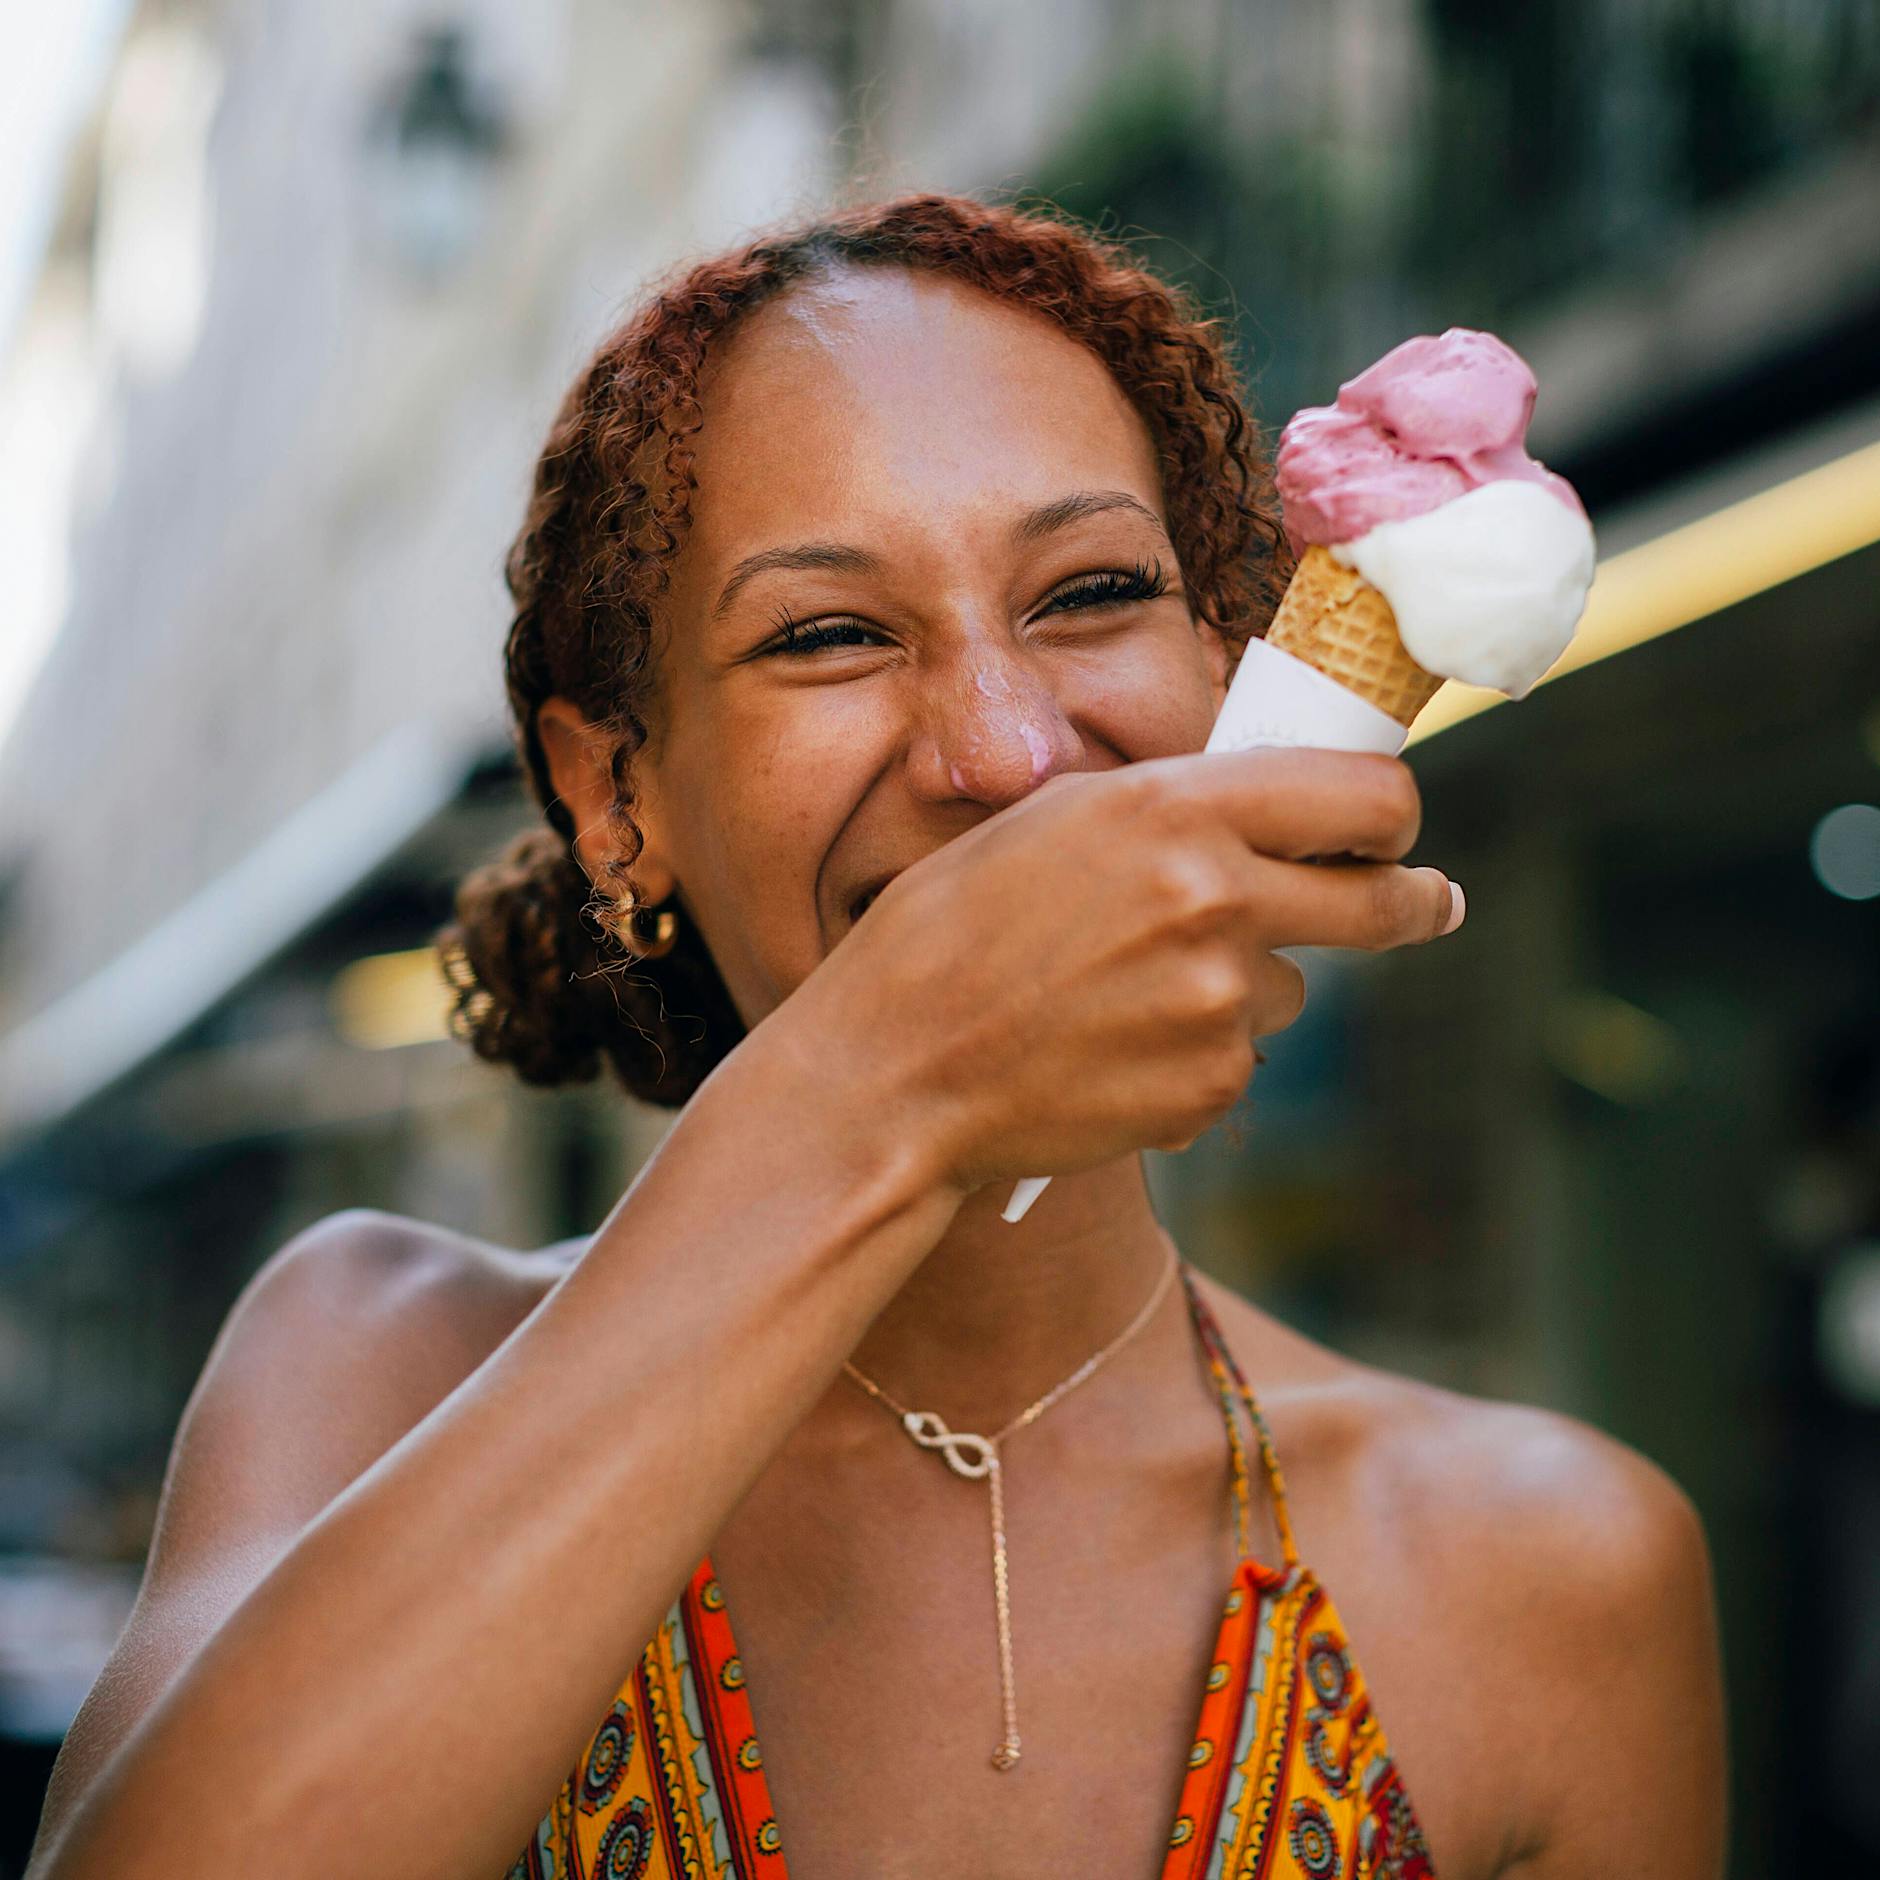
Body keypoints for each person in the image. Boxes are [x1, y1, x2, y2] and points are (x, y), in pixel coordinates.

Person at [28, 192, 1725, 1880]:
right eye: (829, 633)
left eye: (1091, 593)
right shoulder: (376, 1371)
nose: (1003, 752)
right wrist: (882, 1097)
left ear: (1225, 678)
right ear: (615, 795)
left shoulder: (1549, 1567)